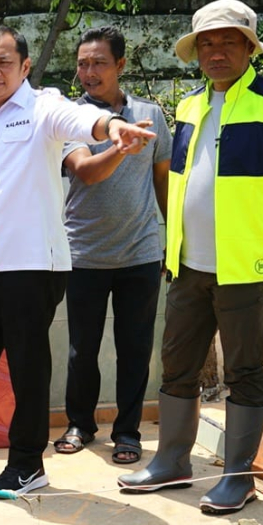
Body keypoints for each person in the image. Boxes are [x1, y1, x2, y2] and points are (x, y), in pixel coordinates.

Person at [0, 26, 156, 494]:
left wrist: (114, 129)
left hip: (33, 265)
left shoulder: (43, 108)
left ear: (24, 67)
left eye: (3, 63)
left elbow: (83, 122)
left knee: (27, 367)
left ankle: (27, 463)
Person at [118, 0, 263, 513]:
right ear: (196, 51)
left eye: (229, 40)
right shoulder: (188, 107)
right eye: (207, 41)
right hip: (188, 266)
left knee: (245, 372)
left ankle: (237, 476)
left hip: (246, 269)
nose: (217, 51)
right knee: (178, 365)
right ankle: (172, 462)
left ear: (250, 46)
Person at [52, 27, 170, 466]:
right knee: (82, 348)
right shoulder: (68, 117)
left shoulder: (151, 115)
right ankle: (80, 424)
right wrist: (121, 146)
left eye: (98, 62)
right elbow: (84, 171)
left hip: (140, 252)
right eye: (82, 63)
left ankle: (127, 432)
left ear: (120, 65)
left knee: (135, 348)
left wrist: (169, 240)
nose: (88, 72)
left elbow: (162, 179)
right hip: (82, 252)